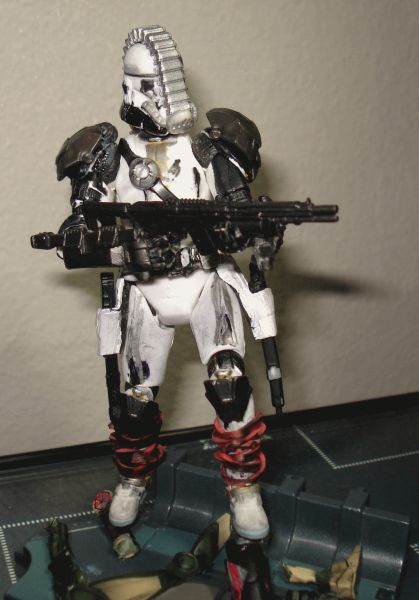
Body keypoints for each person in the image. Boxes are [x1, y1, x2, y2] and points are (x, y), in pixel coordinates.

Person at [55, 25, 279, 543]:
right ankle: (133, 479)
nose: (143, 95)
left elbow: (240, 214)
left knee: (229, 384)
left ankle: (243, 487)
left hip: (204, 279)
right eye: (136, 83)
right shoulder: (106, 156)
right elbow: (75, 232)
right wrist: (117, 245)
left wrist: (251, 228)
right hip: (144, 288)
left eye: (152, 83)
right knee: (135, 401)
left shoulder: (209, 149)